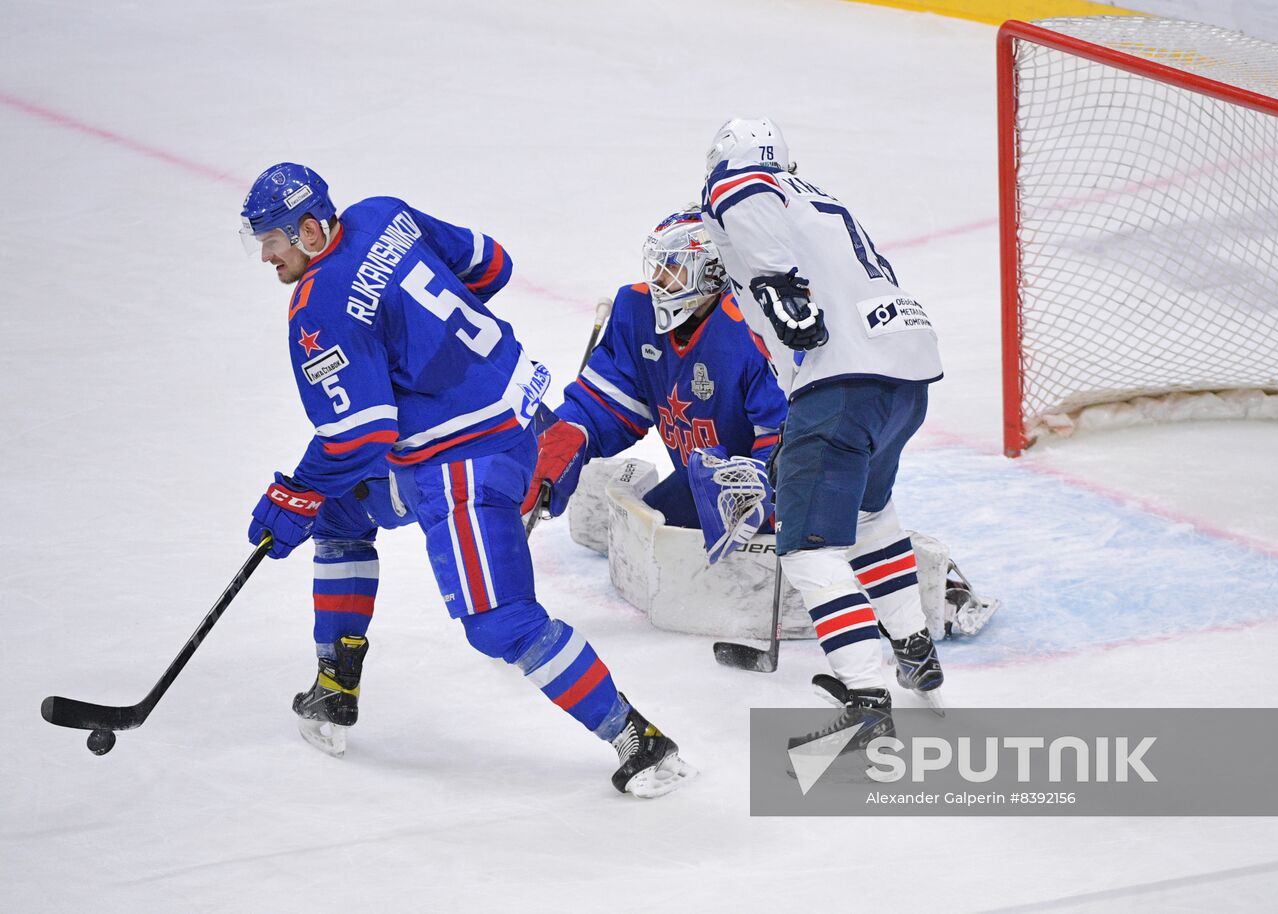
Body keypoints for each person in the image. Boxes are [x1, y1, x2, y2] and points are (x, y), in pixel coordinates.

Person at [239, 162, 694, 797]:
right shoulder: (380, 212)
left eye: (273, 238)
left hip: (467, 467)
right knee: (340, 513)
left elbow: (360, 433)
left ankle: (641, 744)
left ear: (311, 230)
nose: (264, 254)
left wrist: (293, 492)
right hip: (533, 417)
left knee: (500, 623)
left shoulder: (317, 309)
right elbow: (492, 266)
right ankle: (334, 685)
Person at [698, 119, 947, 740]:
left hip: (844, 381)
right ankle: (915, 653)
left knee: (807, 547)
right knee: (869, 519)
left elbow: (740, 194)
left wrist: (779, 286)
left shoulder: (746, 188)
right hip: (905, 376)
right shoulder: (819, 201)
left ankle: (868, 700)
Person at [522, 209, 788, 563]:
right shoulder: (638, 312)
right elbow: (606, 403)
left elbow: (787, 436)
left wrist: (764, 501)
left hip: (760, 493)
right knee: (648, 531)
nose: (659, 280)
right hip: (701, 486)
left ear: (712, 271)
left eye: (673, 268)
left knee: (657, 542)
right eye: (658, 267)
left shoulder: (752, 327)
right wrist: (570, 432)